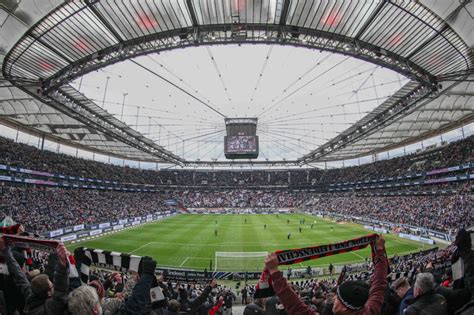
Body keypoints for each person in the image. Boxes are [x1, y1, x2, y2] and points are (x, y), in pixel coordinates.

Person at [265, 235, 388, 315]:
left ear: (345, 308)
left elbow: (296, 307)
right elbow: (379, 283)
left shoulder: (372, 308)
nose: (333, 299)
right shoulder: (371, 309)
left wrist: (275, 273)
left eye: (338, 299)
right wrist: (380, 251)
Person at [0, 237, 70, 315]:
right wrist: (62, 264)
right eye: (52, 285)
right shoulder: (51, 308)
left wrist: (6, 251)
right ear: (48, 293)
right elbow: (60, 289)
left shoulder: (29, 298)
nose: (53, 286)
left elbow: (18, 275)